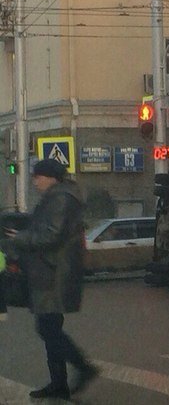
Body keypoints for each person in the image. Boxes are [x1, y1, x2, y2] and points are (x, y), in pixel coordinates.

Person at [2, 159, 98, 399]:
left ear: (50, 177)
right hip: (50, 272)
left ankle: (83, 367)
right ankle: (59, 384)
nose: (35, 182)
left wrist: (20, 237)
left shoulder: (61, 198)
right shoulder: (57, 197)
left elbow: (51, 235)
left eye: (38, 177)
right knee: (49, 328)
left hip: (54, 274)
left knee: (48, 328)